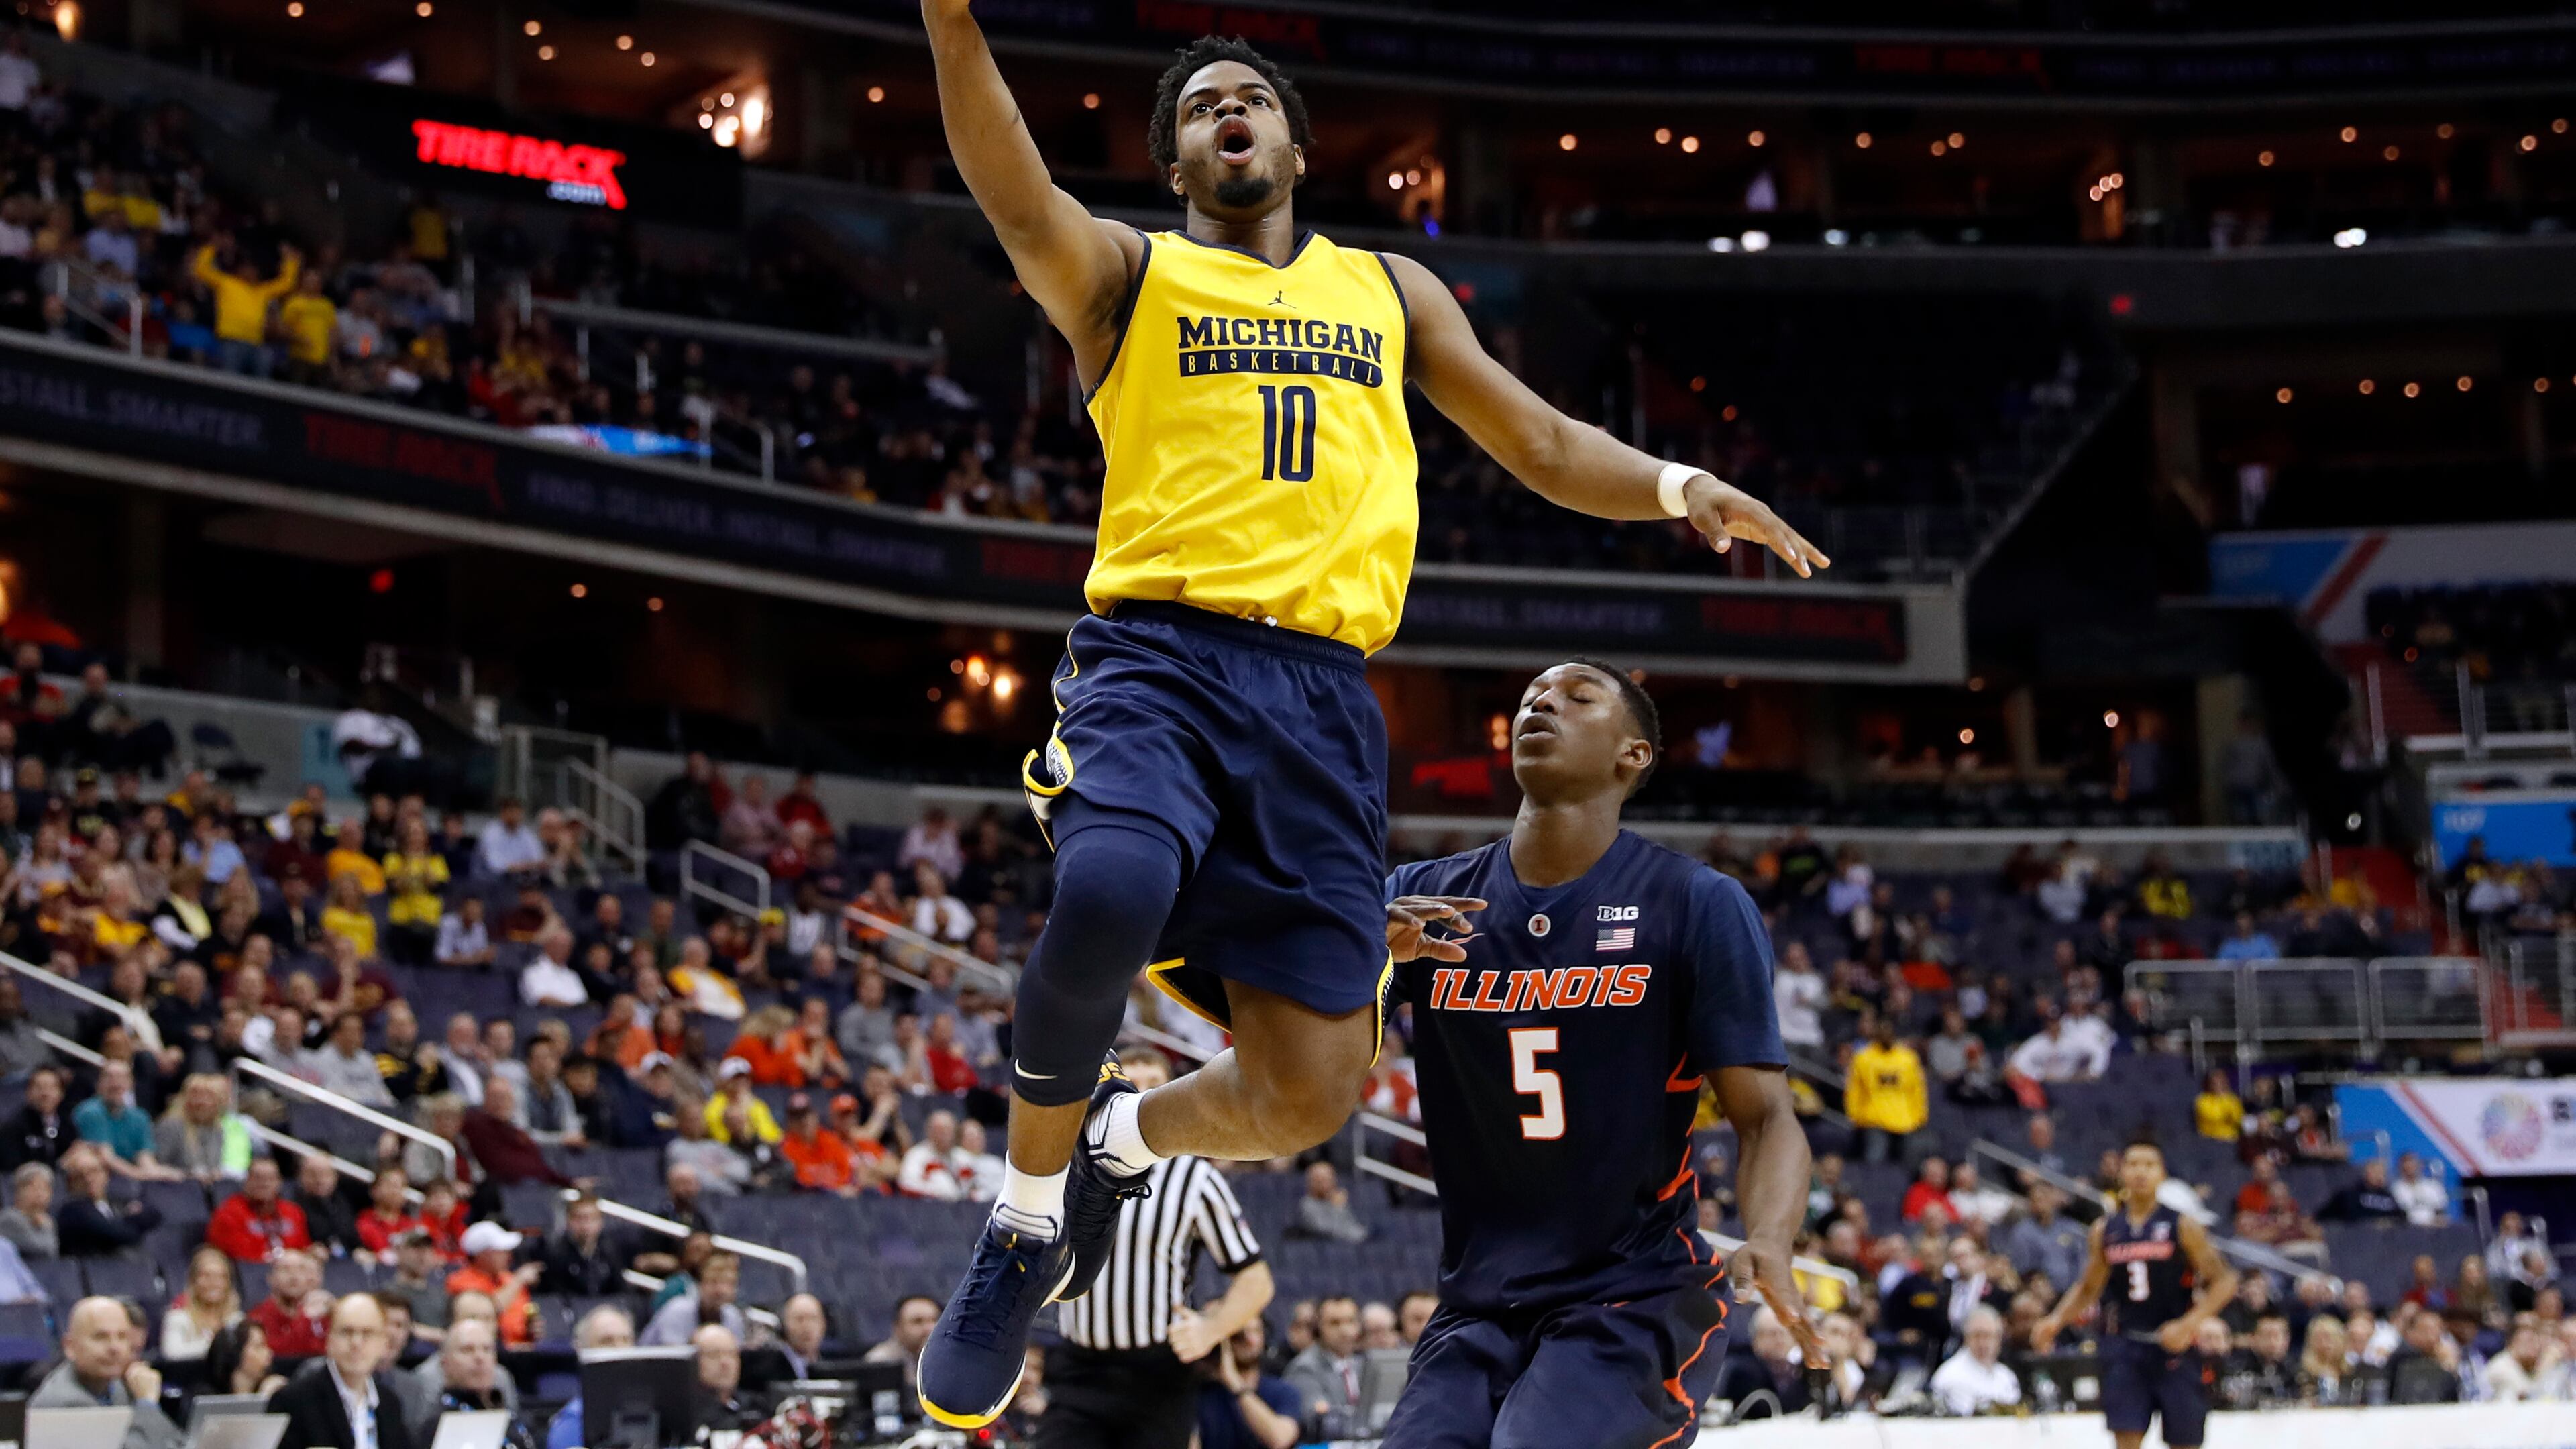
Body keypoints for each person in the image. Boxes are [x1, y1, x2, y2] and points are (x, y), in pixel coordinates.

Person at [911, 13, 1827, 1427]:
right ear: (1173, 158)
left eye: (1254, 98)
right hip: (1159, 657)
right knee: (1109, 885)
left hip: (1325, 705)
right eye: (1204, 103)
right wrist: (951, 17)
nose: (1233, 112)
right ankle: (1025, 1225)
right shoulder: (1129, 277)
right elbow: (1011, 182)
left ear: (1289, 143)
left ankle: (1112, 1144)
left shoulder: (1388, 290)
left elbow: (1538, 442)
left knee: (1310, 1091)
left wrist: (1674, 486)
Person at [1372, 661, 1817, 1448]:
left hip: (1634, 1292)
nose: (1543, 703)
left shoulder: (1694, 901)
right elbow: (1318, 1056)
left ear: (1633, 755)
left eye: (1579, 698)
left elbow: (1766, 1117)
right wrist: (1357, 962)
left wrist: (1773, 1240)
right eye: (1532, 697)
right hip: (1479, 1301)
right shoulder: (1419, 900)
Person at [1040, 1048, 1275, 1449]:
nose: (1142, 1098)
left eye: (1155, 1087)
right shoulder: (1063, 1165)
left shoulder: (1195, 1177)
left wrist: (1210, 1330)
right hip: (1078, 1367)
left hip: (1158, 1374)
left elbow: (1256, 1280)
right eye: (1132, 1085)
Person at [2034, 1141, 2240, 1449]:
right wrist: (2056, 1320)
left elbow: (2225, 1281)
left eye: (2149, 1164)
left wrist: (2189, 1324)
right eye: (2133, 1164)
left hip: (2176, 1348)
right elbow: (2089, 1287)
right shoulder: (2106, 1229)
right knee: (2126, 1439)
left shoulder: (2182, 1225)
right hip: (2126, 1347)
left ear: (2162, 1175)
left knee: (2185, 1442)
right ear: (2121, 1173)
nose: (2141, 1171)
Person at [268, 1292, 423, 1449]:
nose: (356, 1343)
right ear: (329, 1340)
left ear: (383, 1344)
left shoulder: (389, 1404)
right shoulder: (293, 1401)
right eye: (346, 1332)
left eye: (367, 1333)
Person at [30, 1295, 184, 1449]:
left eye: (122, 1337)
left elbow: (176, 1442)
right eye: (101, 1337)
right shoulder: (64, 1402)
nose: (115, 1348)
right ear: (70, 1347)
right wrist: (147, 1404)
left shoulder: (116, 1385)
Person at [430, 1318, 537, 1449]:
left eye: (487, 1349)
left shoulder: (510, 1413)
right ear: (445, 1363)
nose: (480, 1358)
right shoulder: (437, 1425)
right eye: (467, 1350)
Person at [1198, 1319, 1302, 1449]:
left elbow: (1280, 1440)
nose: (1248, 1340)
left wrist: (1234, 1382)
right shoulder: (1203, 1395)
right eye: (1239, 1334)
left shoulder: (1284, 1391)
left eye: (1255, 1331)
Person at [545, 1305, 636, 1449]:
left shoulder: (662, 1414)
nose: (620, 1349)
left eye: (626, 1340)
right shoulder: (571, 1424)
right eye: (607, 1341)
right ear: (582, 1351)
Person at [1845, 1016, 1927, 1165]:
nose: (1886, 1035)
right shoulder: (1864, 1057)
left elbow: (1917, 1089)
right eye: (1882, 1031)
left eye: (1889, 1031)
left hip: (1905, 1120)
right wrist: (1855, 1115)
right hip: (1874, 1120)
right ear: (1876, 1033)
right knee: (1875, 1165)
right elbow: (1855, 1090)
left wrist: (1920, 1116)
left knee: (1905, 1167)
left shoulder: (1908, 1058)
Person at [207, 1157, 313, 1263]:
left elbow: (303, 1250)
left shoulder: (293, 1212)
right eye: (258, 1178)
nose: (264, 1184)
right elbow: (239, 1258)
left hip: (290, 1273)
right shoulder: (228, 1213)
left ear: (279, 1182)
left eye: (270, 1179)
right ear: (246, 1181)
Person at [1928, 1305, 2020, 1415]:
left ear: (1999, 1339)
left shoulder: (2006, 1376)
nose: (1983, 1343)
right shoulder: (1950, 1375)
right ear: (1966, 1338)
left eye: (1988, 1336)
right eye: (1977, 1336)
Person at [163, 1244, 244, 1361]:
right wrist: (217, 1346)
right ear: (193, 1281)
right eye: (206, 1276)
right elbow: (173, 1354)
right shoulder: (178, 1318)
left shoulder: (237, 1321)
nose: (214, 1283)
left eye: (221, 1277)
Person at [692, 1322, 769, 1435]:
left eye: (731, 1354)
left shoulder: (756, 1407)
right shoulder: (685, 1415)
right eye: (714, 1355)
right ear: (693, 1361)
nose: (725, 1362)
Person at [863, 1295, 939, 1400]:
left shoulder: (951, 1356)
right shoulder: (880, 1361)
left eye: (935, 1320)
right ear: (897, 1328)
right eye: (918, 1321)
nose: (930, 1328)